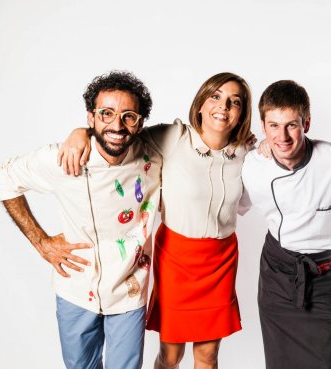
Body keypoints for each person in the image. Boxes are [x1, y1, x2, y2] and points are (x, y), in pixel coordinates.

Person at [59, 72, 253, 369]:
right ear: (201, 104)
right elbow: (120, 134)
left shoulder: (246, 152)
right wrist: (80, 132)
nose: (223, 107)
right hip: (177, 258)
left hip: (221, 260)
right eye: (215, 96)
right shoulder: (174, 137)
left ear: (241, 114)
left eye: (234, 102)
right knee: (171, 356)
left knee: (208, 356)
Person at [0, 71, 162, 369]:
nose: (116, 125)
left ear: (141, 122)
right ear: (91, 117)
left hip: (129, 289)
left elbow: (203, 135)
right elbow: (4, 179)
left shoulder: (156, 153)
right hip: (75, 289)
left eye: (129, 116)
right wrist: (40, 241)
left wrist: (251, 142)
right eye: (106, 114)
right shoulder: (63, 158)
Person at [239, 80, 331, 369]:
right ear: (263, 125)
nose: (282, 136)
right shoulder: (252, 167)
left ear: (307, 123)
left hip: (326, 277)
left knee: (326, 362)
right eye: (273, 125)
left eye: (291, 125)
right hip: (277, 275)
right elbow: (232, 207)